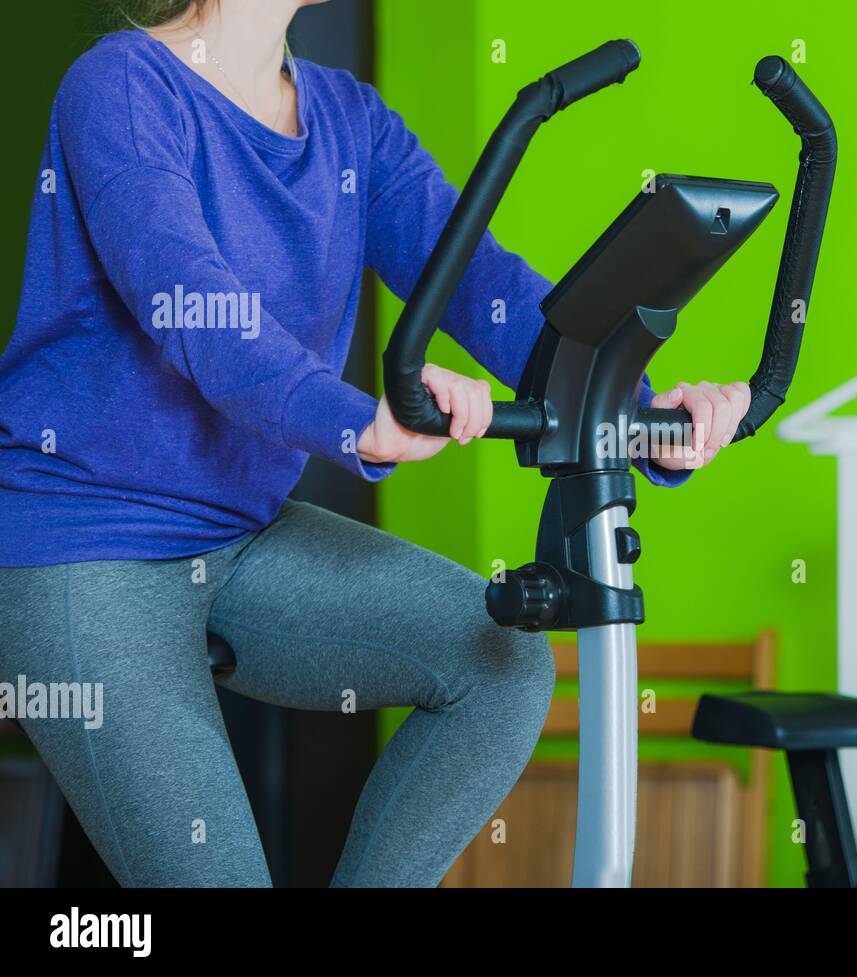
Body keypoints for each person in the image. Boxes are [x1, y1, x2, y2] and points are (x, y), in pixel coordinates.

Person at [0, 0, 750, 887]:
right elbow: (195, 309)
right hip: (85, 547)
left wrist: (639, 411)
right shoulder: (121, 88)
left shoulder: (350, 123)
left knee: (501, 662)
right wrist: (359, 419)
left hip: (240, 535)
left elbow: (485, 290)